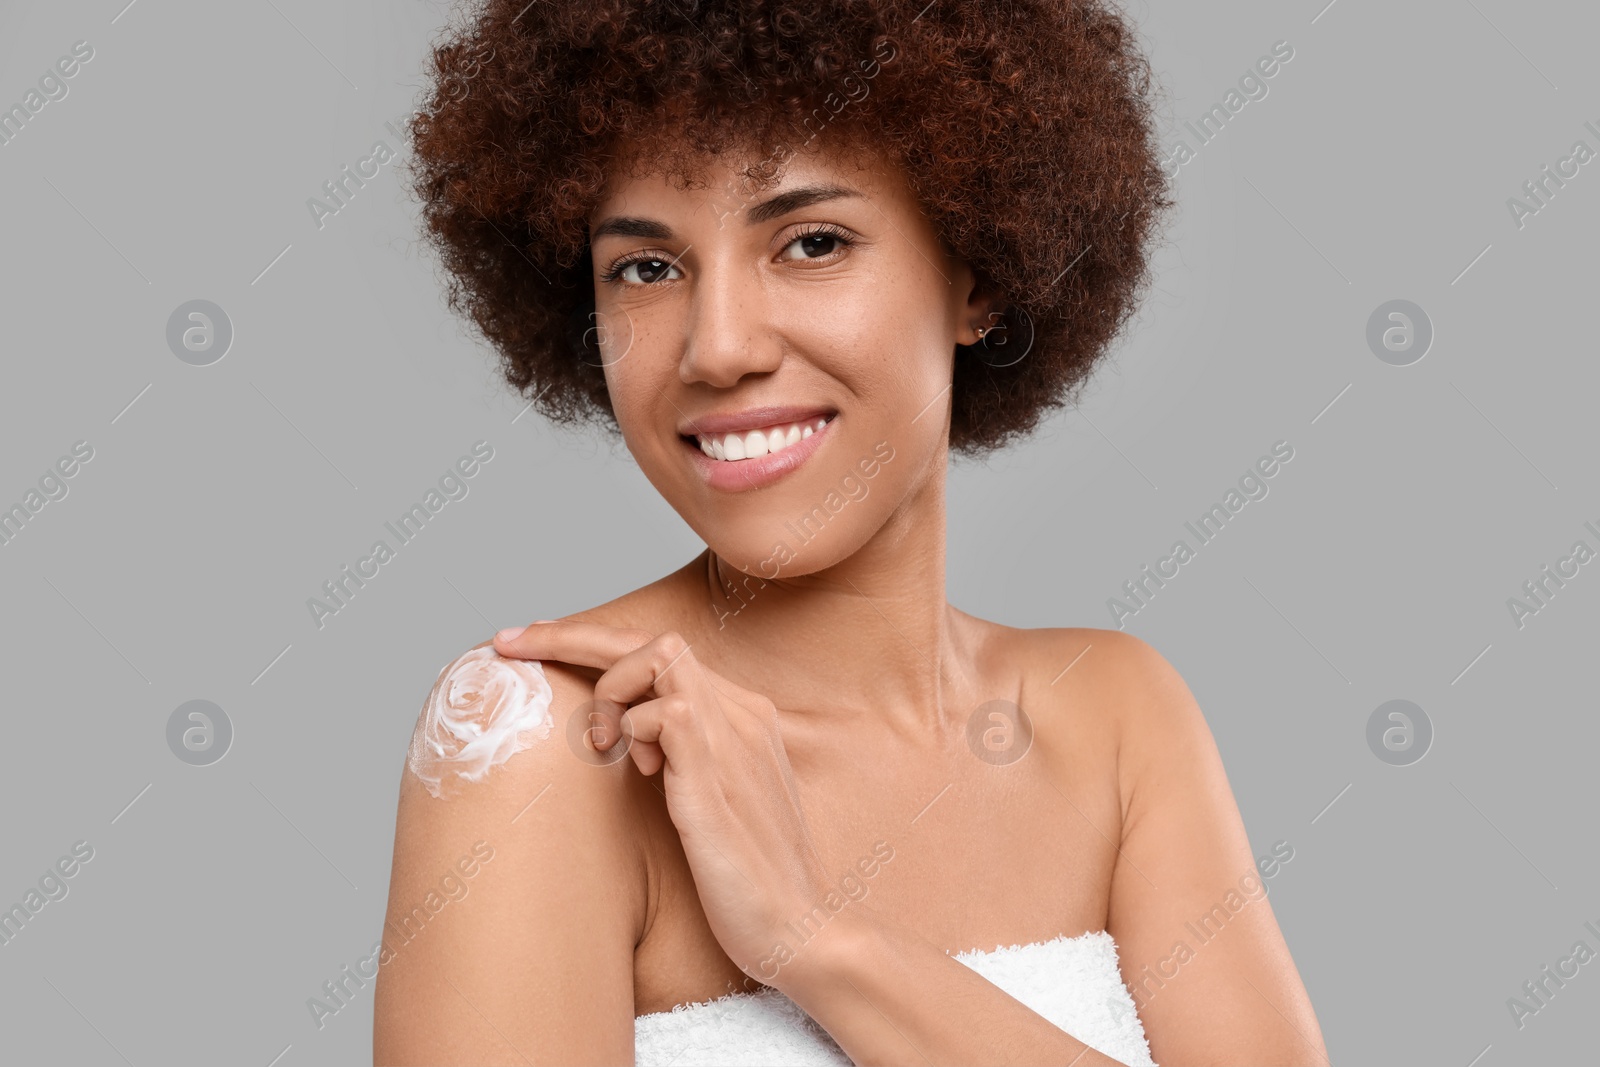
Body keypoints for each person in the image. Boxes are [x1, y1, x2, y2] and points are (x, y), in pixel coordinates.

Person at [374, 1, 1328, 1063]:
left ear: (979, 275)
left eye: (811, 242)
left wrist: (817, 939)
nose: (717, 347)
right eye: (645, 267)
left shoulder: (1111, 721)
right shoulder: (552, 747)